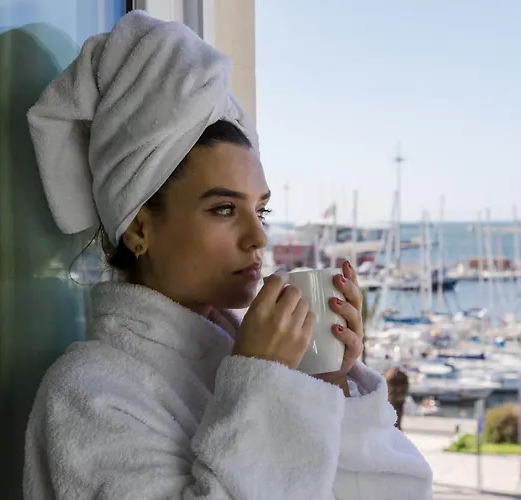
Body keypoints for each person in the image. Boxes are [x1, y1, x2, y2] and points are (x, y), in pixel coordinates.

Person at [22, 11, 432, 500]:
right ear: (138, 228)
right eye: (223, 209)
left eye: (261, 210)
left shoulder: (249, 363)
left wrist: (328, 383)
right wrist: (267, 383)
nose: (258, 237)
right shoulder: (88, 395)